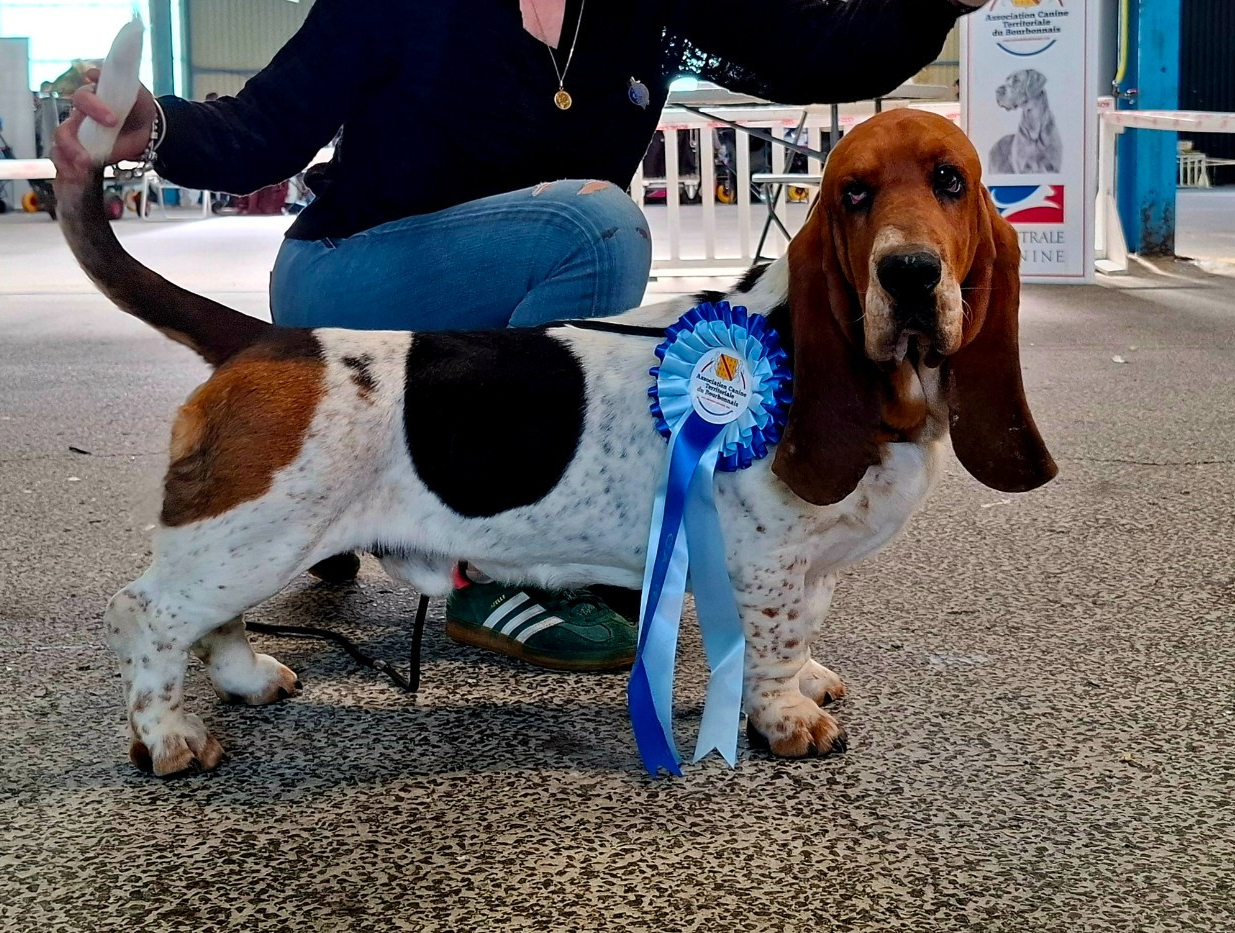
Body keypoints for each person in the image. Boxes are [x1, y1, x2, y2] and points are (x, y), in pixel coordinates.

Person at [53, 0, 988, 673]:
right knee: (596, 227)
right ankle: (459, 543)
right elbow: (262, 130)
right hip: (352, 280)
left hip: (486, 339)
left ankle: (420, 510)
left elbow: (807, 52)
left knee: (611, 288)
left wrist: (931, 5)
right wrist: (155, 125)